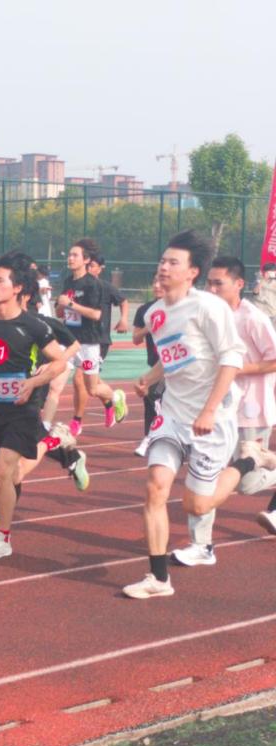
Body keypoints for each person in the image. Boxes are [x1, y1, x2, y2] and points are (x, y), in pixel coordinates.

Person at [123, 230, 246, 599]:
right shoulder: (155, 313)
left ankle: (249, 462)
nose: (164, 267)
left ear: (192, 272)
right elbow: (172, 354)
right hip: (174, 414)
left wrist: (209, 410)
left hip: (213, 419)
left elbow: (231, 359)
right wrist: (150, 377)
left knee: (196, 505)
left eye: (173, 262)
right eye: (163, 260)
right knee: (155, 487)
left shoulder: (209, 307)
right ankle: (158, 579)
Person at [0, 251, 72, 559]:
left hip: (24, 409)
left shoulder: (33, 326)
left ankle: (3, 539)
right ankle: (55, 441)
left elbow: (59, 362)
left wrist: (34, 383)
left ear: (17, 288)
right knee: (7, 476)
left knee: (3, 468)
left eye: (0, 281)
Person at [199, 257, 276, 551]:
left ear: (239, 284)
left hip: (251, 409)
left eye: (218, 283)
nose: (212, 289)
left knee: (245, 483)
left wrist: (238, 369)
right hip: (219, 408)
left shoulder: (252, 318)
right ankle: (200, 544)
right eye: (209, 283)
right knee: (208, 474)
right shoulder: (209, 316)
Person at [57, 238, 128, 436]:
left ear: (87, 260)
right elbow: (61, 311)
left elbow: (97, 314)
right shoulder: (68, 282)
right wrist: (61, 307)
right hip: (70, 341)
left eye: (75, 255)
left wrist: (71, 305)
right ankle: (69, 421)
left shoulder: (95, 285)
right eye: (69, 255)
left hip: (90, 343)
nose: (70, 258)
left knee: (91, 388)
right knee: (59, 376)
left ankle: (115, 397)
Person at [132, 274, 166, 457]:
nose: (157, 286)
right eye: (155, 282)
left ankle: (152, 437)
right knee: (151, 397)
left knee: (156, 397)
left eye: (161, 282)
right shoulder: (145, 310)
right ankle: (150, 437)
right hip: (156, 365)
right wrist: (149, 327)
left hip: (176, 365)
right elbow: (136, 339)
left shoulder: (178, 308)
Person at [86, 253, 129, 360]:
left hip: (99, 339)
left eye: (92, 266)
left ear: (100, 269)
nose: (88, 269)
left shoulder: (106, 287)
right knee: (86, 371)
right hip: (79, 339)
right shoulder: (75, 285)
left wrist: (123, 319)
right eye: (86, 266)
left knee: (87, 369)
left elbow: (123, 301)